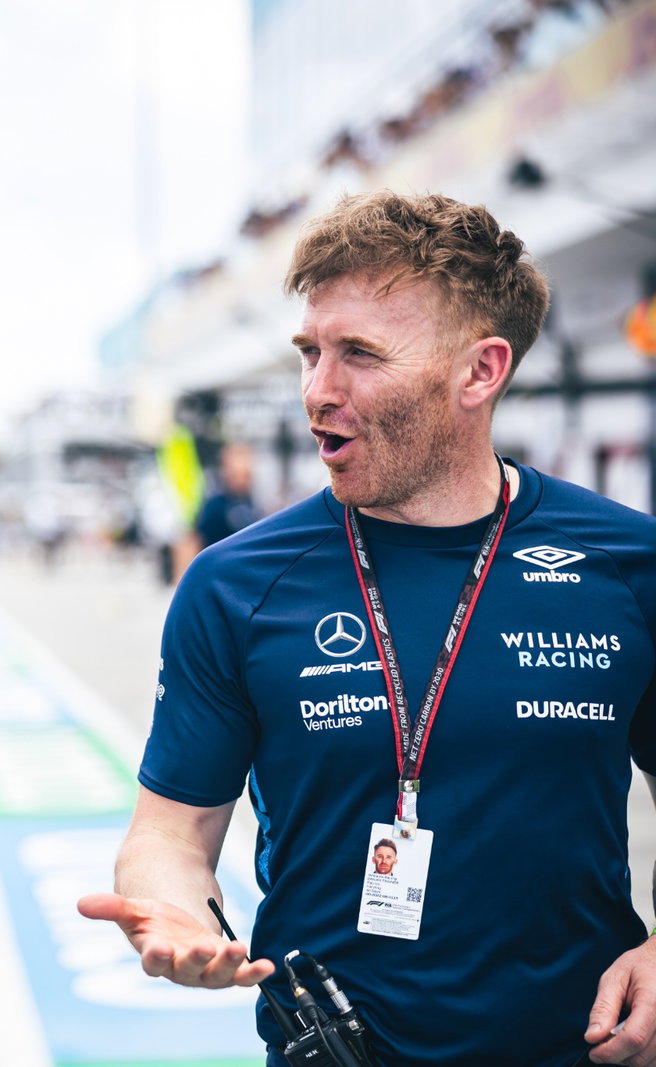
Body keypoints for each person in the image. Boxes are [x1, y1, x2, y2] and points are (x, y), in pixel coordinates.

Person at [77, 191, 656, 1066]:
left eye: (359, 354)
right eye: (310, 352)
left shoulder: (627, 562)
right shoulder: (236, 586)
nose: (318, 391)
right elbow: (169, 831)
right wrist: (174, 905)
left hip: (587, 1046)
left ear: (479, 370)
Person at [193, 441, 261, 550]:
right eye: (237, 474)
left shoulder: (253, 503)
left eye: (246, 475)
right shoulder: (215, 506)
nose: (243, 481)